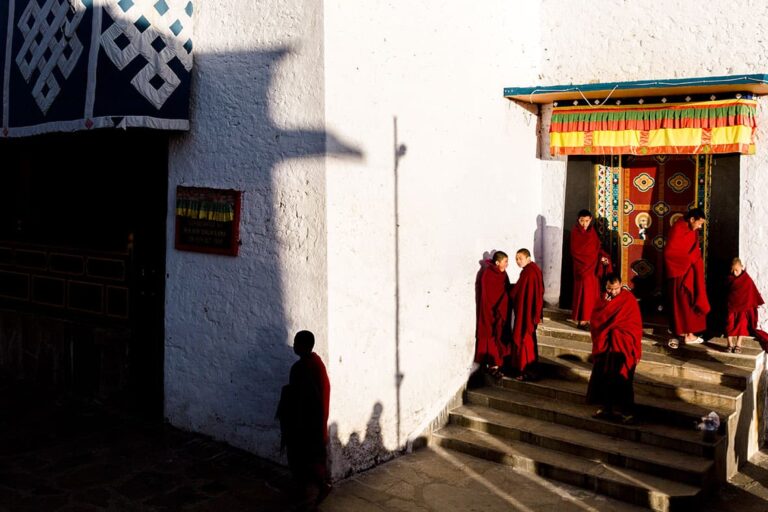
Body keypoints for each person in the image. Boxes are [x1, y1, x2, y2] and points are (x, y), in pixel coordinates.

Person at [276, 330, 332, 508]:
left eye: (296, 343)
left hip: (305, 426)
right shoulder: (315, 364)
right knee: (311, 462)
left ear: (304, 346)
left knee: (305, 462)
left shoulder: (305, 367)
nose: (293, 345)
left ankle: (311, 498)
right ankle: (317, 489)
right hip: (312, 423)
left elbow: (307, 399)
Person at [586, 273, 643, 424]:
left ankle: (628, 412)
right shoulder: (602, 300)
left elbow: (635, 326)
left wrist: (635, 348)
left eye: (616, 289)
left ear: (621, 285)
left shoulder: (628, 300)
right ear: (605, 287)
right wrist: (605, 304)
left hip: (623, 347)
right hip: (607, 347)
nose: (614, 292)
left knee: (624, 379)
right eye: (610, 289)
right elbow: (596, 320)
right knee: (606, 378)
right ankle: (607, 409)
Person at [663, 208, 710, 349]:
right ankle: (688, 335)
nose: (700, 227)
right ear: (691, 219)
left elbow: (693, 248)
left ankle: (686, 332)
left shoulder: (690, 230)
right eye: (699, 223)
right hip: (680, 273)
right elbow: (670, 252)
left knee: (688, 302)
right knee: (685, 302)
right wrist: (691, 259)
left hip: (689, 271)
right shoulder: (678, 229)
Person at [570, 209, 611, 329]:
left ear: (590, 220)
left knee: (592, 294)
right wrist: (594, 259)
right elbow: (576, 252)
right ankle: (582, 320)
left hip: (592, 269)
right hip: (582, 269)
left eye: (587, 221)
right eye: (582, 221)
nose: (584, 224)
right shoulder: (575, 232)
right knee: (584, 294)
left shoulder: (592, 232)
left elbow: (596, 249)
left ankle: (590, 318)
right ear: (578, 220)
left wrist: (602, 257)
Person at [508, 248, 544, 381]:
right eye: (516, 259)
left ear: (528, 258)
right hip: (529, 313)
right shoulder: (533, 270)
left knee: (525, 341)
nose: (518, 261)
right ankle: (527, 372)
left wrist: (510, 291)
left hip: (526, 314)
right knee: (528, 341)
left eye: (520, 258)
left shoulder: (529, 273)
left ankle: (525, 372)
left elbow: (518, 292)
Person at [474, 251, 511, 378]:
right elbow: (486, 294)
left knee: (499, 335)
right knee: (490, 335)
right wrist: (493, 309)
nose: (507, 264)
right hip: (489, 311)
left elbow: (505, 289)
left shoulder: (503, 274)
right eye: (505, 261)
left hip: (500, 311)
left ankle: (497, 363)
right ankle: (492, 364)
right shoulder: (487, 274)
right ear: (497, 262)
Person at [725, 258, 765, 353]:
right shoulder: (729, 278)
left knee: (741, 324)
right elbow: (725, 292)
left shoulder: (746, 279)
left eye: (737, 270)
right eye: (733, 270)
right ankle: (729, 344)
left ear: (742, 267)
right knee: (729, 324)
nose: (735, 273)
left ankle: (738, 344)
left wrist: (750, 305)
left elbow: (751, 292)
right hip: (731, 306)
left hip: (743, 308)